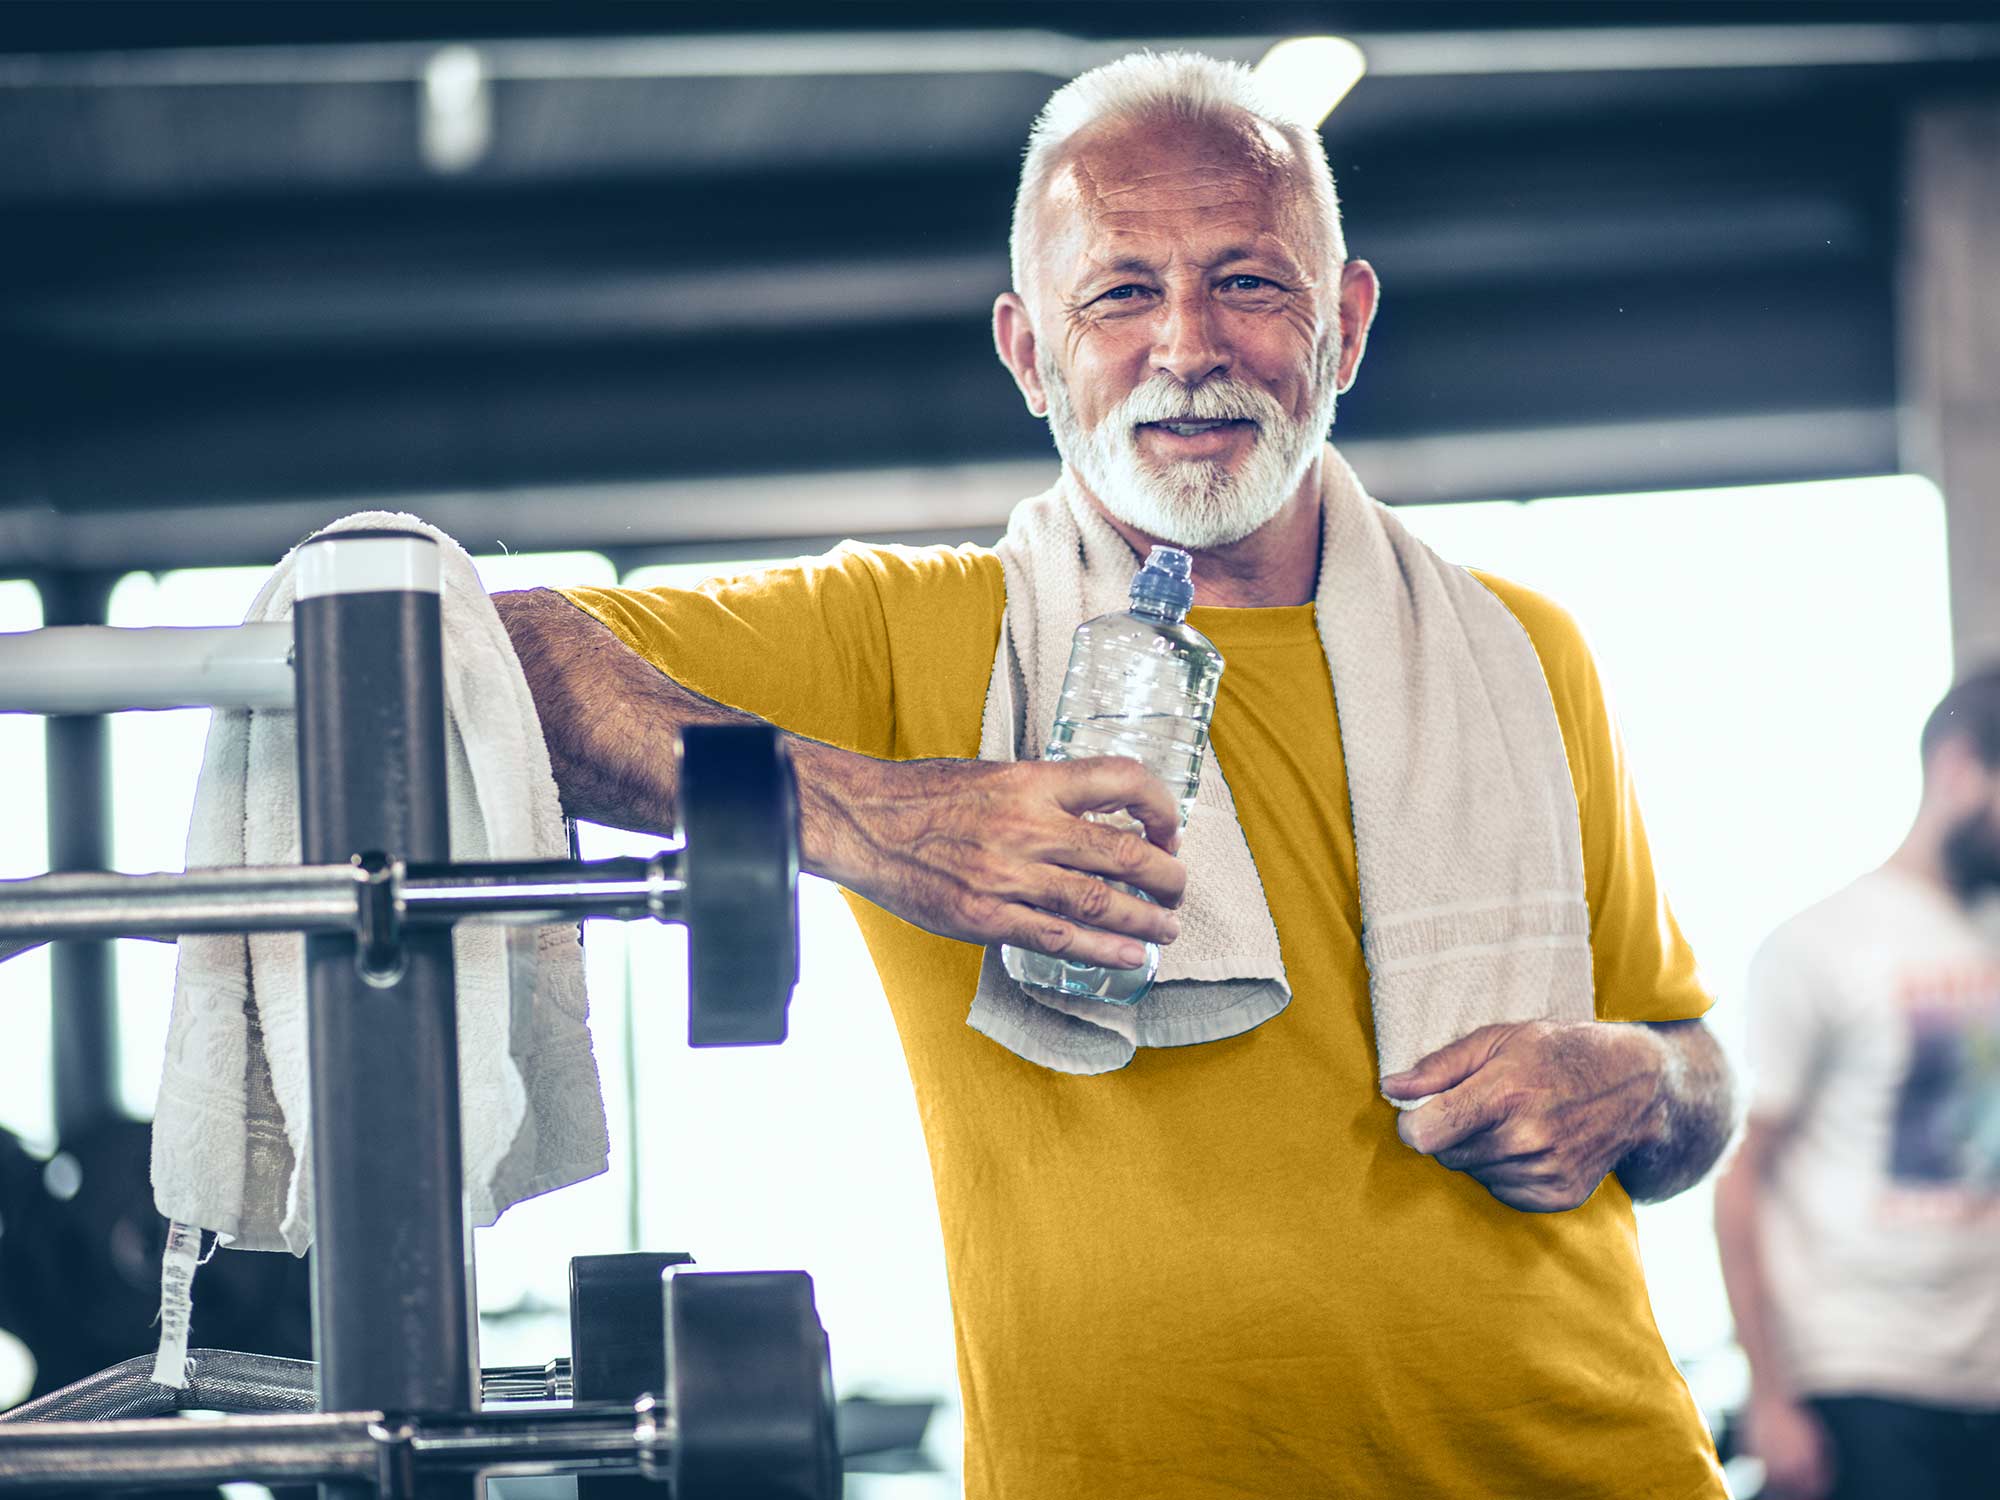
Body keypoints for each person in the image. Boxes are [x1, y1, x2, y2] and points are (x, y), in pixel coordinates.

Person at [499, 52, 1735, 1498]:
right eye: (1122, 292)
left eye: (1251, 284)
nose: (1188, 343)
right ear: (1031, 353)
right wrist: (876, 821)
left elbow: (1697, 1072)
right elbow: (479, 651)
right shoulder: (919, 633)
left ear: (1343, 325)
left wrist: (1638, 1081)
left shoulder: (1525, 652)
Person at [1715, 670, 2000, 1500]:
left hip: (1986, 1374)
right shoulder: (1821, 944)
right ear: (1959, 769)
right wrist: (1771, 1396)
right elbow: (1741, 1180)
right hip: (1860, 1375)